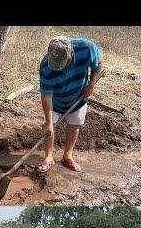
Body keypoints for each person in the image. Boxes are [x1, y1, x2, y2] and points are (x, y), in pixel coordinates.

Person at [37, 36, 103, 173]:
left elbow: (98, 65)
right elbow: (46, 95)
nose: (58, 68)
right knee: (49, 127)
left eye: (62, 63)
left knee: (74, 125)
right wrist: (49, 122)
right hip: (55, 100)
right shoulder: (45, 66)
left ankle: (67, 156)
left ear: (71, 53)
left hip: (78, 95)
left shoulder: (87, 49)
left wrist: (91, 84)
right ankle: (49, 157)